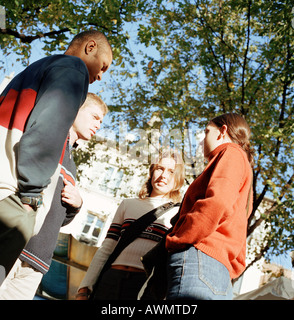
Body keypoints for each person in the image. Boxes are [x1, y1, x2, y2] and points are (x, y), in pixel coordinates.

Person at [0, 30, 113, 283]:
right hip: (11, 195)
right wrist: (31, 196)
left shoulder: (39, 67)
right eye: (103, 66)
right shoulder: (74, 70)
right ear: (90, 47)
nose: (100, 76)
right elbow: (47, 130)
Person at [0, 93, 108, 300]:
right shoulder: (48, 138)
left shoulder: (72, 165)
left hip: (37, 261)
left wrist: (77, 205)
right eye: (95, 117)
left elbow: (60, 219)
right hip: (15, 243)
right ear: (76, 109)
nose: (98, 125)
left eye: (101, 122)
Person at [165, 113, 254, 300]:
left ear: (223, 131)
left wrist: (180, 238)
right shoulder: (243, 165)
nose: (202, 140)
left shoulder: (231, 152)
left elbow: (217, 202)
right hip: (218, 269)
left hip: (200, 258)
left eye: (206, 132)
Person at [76, 150, 185, 300]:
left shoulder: (179, 214)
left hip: (144, 287)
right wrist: (84, 288)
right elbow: (107, 247)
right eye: (160, 168)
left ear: (178, 179)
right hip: (110, 280)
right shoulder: (127, 205)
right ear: (152, 171)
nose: (164, 176)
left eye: (171, 172)